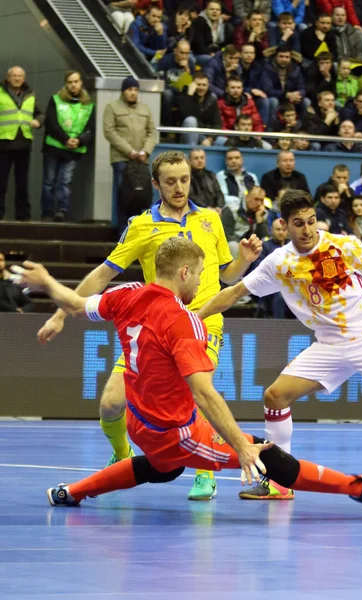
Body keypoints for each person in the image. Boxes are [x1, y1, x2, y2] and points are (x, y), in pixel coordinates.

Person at [14, 243, 362, 509]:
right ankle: (358, 488)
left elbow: (78, 304)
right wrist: (242, 445)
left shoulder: (129, 294)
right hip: (177, 431)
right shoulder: (183, 324)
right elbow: (203, 395)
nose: (201, 281)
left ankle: (73, 492)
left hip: (139, 421)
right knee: (272, 459)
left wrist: (47, 283)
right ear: (184, 271)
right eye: (199, 273)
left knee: (162, 468)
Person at [196, 189, 362, 500]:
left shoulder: (342, 245)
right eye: (299, 223)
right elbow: (233, 292)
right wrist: (195, 316)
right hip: (330, 343)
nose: (308, 229)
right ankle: (279, 482)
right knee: (275, 396)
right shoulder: (280, 262)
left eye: (312, 221)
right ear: (285, 225)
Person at [36, 150, 262, 502]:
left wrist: (245, 262)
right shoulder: (142, 225)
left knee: (196, 396)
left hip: (201, 324)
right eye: (170, 181)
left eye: (184, 179)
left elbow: (223, 276)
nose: (179, 187)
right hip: (153, 329)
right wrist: (61, 313)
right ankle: (122, 454)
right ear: (156, 184)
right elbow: (104, 273)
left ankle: (205, 474)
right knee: (111, 403)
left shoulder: (210, 221)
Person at [102, 77, 156, 233]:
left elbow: (152, 132)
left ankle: (138, 232)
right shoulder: (112, 107)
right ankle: (123, 233)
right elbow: (109, 132)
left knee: (141, 196)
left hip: (141, 161)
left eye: (136, 90)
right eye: (130, 90)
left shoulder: (145, 109)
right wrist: (130, 151)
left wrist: (145, 151)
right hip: (122, 160)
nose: (133, 93)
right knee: (124, 198)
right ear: (123, 91)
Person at [40, 71, 95, 222]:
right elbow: (51, 123)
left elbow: (90, 128)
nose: (73, 85)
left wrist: (79, 140)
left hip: (73, 150)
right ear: (66, 83)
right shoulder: (56, 100)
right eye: (70, 82)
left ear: (81, 83)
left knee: (65, 182)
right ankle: (47, 212)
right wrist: (66, 139)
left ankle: (62, 211)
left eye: (76, 81)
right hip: (54, 148)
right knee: (49, 182)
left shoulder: (88, 104)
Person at [0, 66, 44, 221]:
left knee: (22, 183)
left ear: (24, 78)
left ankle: (23, 215)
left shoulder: (30, 95)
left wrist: (38, 121)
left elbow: (39, 113)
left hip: (23, 144)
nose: (17, 78)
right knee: (1, 182)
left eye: (19, 76)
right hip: (4, 143)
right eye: (14, 76)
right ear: (8, 77)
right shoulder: (1, 92)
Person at [176, 72, 222, 146]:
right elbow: (184, 114)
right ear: (192, 85)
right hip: (187, 135)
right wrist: (189, 95)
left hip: (206, 135)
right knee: (190, 120)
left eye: (204, 85)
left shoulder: (212, 99)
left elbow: (217, 123)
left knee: (224, 141)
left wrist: (210, 139)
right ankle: (192, 150)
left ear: (208, 86)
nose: (201, 88)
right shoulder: (184, 95)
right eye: (198, 84)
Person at [221, 186, 270, 256]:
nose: (259, 204)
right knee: (233, 245)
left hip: (252, 244)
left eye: (261, 200)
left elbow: (265, 236)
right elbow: (227, 234)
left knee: (266, 243)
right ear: (247, 197)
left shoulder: (262, 212)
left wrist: (260, 221)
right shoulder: (231, 209)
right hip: (236, 243)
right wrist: (244, 246)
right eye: (256, 199)